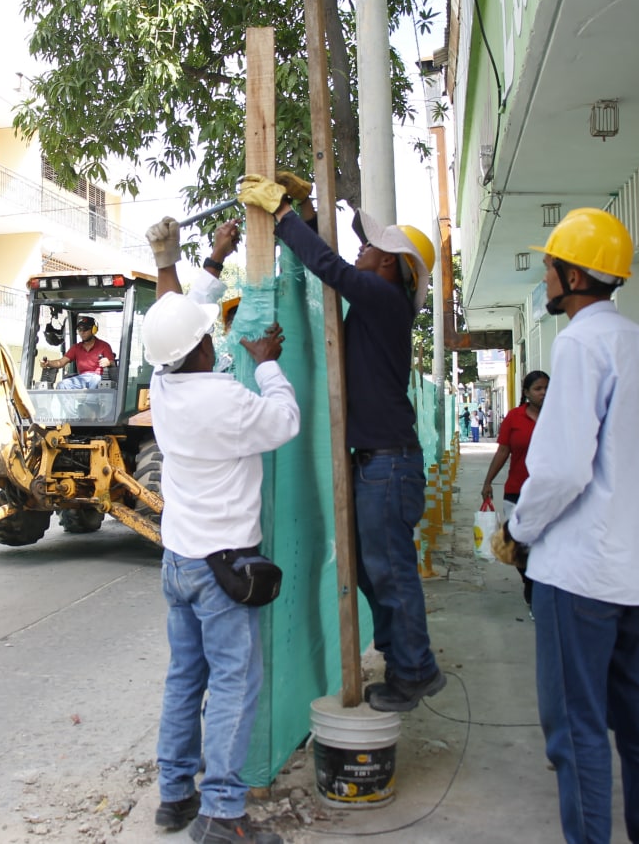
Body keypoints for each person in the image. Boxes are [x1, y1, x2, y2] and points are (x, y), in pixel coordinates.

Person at [495, 208, 639, 844]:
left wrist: (518, 531)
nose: (545, 275)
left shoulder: (579, 344)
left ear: (573, 275)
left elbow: (561, 468)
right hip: (636, 573)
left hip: (579, 577)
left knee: (576, 729)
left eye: (549, 266)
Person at [237, 173, 446, 714]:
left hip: (388, 466)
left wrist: (283, 216)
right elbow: (331, 264)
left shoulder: (382, 297)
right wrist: (304, 213)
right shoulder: (380, 299)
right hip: (378, 464)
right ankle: (405, 666)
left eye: (372, 244)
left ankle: (415, 671)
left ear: (391, 265)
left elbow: (327, 268)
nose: (362, 246)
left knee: (390, 574)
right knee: (375, 574)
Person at [142, 215, 300, 844]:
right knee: (234, 683)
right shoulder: (227, 402)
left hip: (180, 561)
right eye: (211, 337)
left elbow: (176, 319)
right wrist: (266, 364)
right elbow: (283, 421)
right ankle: (223, 815)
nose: (216, 337)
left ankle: (174, 796)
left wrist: (203, 259)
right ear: (205, 350)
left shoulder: (163, 386)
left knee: (186, 678)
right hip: (224, 570)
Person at [481, 370, 549, 609]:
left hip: (548, 492)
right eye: (538, 389)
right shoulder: (514, 417)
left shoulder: (558, 416)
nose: (543, 393)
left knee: (543, 544)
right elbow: (503, 451)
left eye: (546, 388)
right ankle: (530, 584)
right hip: (517, 489)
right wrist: (488, 481)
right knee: (515, 545)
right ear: (527, 393)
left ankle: (539, 591)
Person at [42, 315, 115, 389]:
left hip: (99, 378)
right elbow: (61, 362)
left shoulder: (104, 346)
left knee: (95, 380)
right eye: (79, 330)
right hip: (82, 378)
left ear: (94, 330)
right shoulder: (76, 348)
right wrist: (48, 363)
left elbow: (112, 363)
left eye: (85, 329)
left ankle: (90, 400)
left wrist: (108, 362)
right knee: (62, 385)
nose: (82, 332)